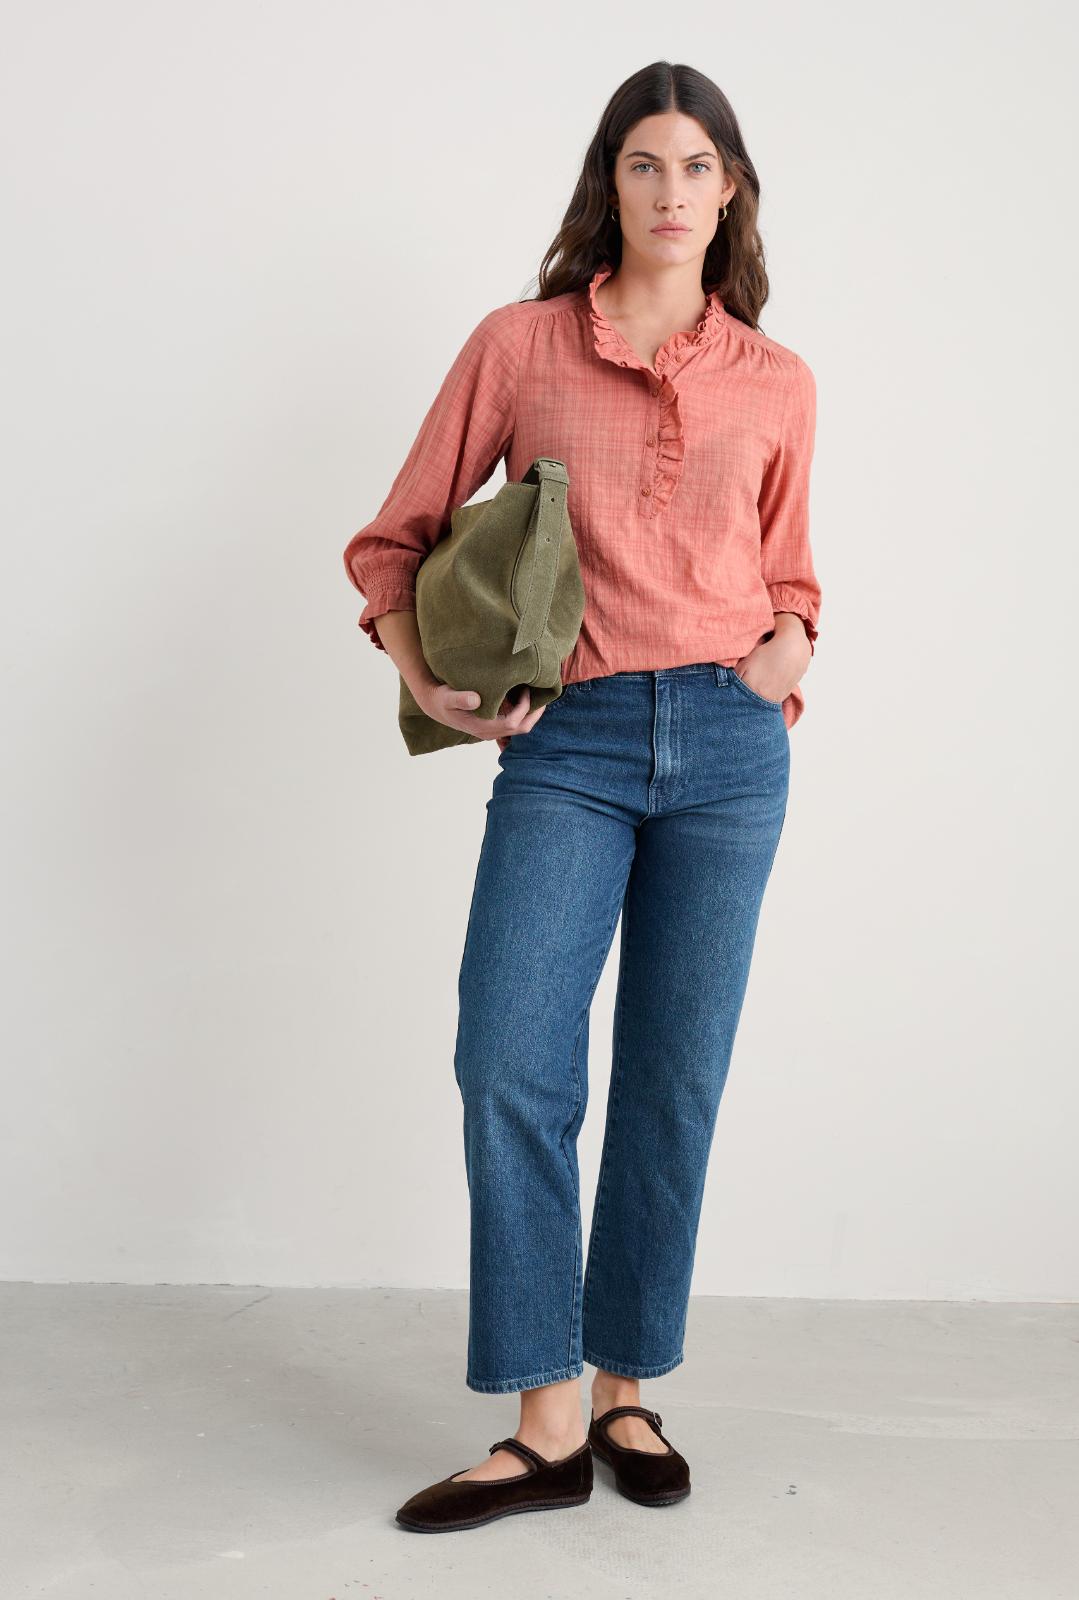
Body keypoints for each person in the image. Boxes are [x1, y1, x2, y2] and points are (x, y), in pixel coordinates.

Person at [343, 60, 822, 1533]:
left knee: (674, 1076)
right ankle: (545, 1424)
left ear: (730, 191)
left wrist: (790, 647)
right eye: (643, 165)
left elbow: (794, 572)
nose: (671, 192)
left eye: (697, 167)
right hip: (573, 743)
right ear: (607, 185)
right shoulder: (523, 344)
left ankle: (625, 1390)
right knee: (511, 1057)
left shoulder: (779, 379)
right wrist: (428, 677)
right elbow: (394, 538)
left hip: (731, 751)